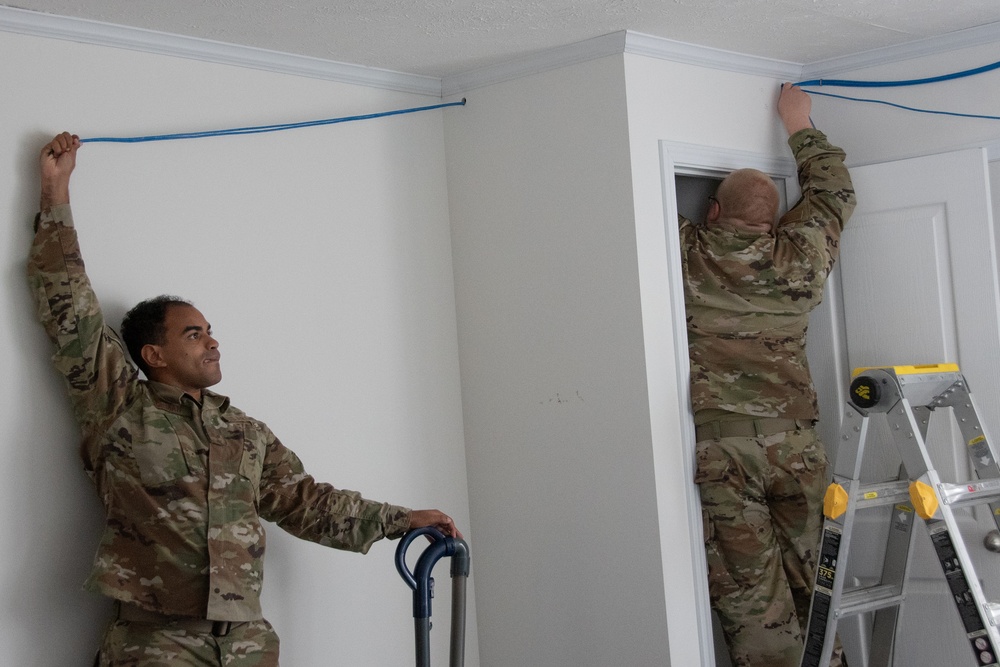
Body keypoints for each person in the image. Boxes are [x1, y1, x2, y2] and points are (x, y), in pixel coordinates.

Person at [28, 132, 462, 666]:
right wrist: (55, 191)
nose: (212, 340)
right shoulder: (120, 408)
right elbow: (67, 303)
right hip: (157, 643)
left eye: (210, 330)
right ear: (153, 354)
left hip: (247, 642)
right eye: (193, 333)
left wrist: (401, 519)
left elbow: (308, 503)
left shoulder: (244, 432)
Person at [681, 83, 856, 667]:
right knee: (818, 578)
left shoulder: (687, 253)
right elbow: (832, 194)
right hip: (796, 445)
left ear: (713, 213)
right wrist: (797, 122)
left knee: (751, 595)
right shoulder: (800, 258)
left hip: (725, 449)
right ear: (779, 219)